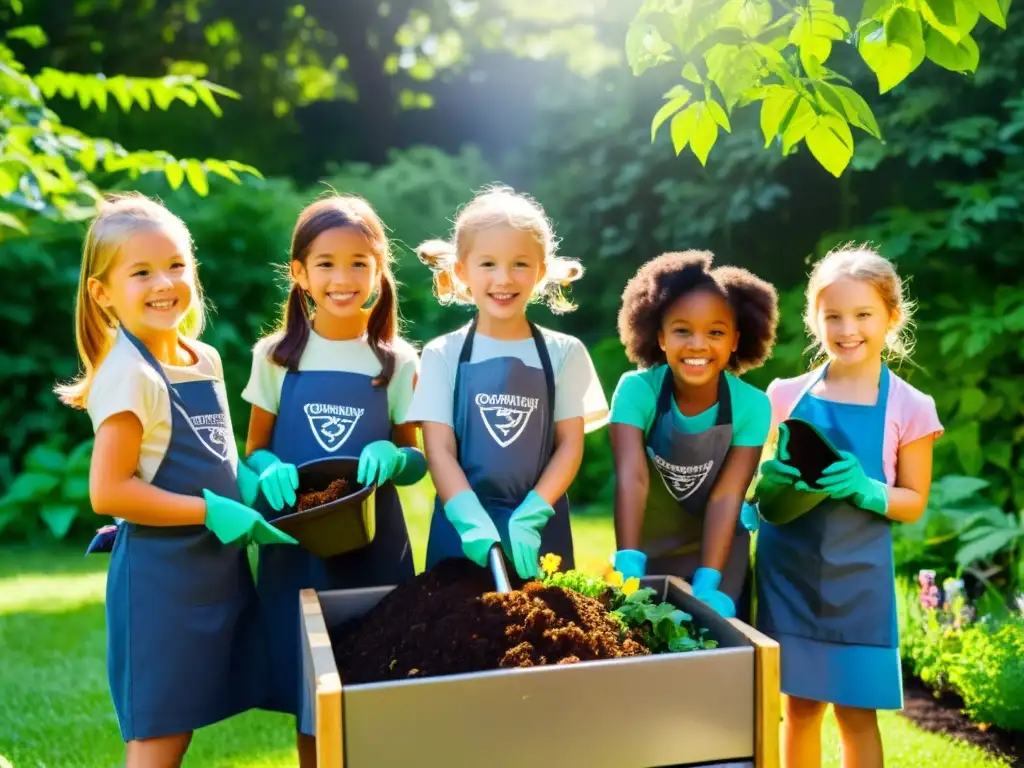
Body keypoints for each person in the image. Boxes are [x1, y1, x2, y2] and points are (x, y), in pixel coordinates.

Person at [55, 193, 296, 767]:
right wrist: (210, 512)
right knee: (159, 736)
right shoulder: (127, 374)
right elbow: (108, 491)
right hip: (160, 583)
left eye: (176, 265)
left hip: (214, 572)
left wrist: (257, 475)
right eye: (141, 272)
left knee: (184, 727)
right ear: (103, 293)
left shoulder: (203, 357)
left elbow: (215, 454)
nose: (164, 282)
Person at [241, 194, 423, 766]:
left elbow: (415, 461)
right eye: (325, 263)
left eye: (358, 263)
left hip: (374, 545)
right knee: (310, 693)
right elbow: (253, 452)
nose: (342, 278)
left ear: (378, 270)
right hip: (297, 546)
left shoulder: (396, 361)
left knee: (375, 680)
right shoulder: (275, 357)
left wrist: (392, 457)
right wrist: (265, 469)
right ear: (299, 274)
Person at [752, 245, 943, 768]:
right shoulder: (785, 395)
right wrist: (762, 487)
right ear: (815, 320)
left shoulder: (910, 406)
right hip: (788, 578)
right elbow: (752, 482)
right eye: (832, 316)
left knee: (857, 715)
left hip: (859, 587)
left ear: (891, 317)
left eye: (863, 314)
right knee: (801, 707)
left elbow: (914, 503)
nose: (847, 328)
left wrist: (867, 488)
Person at [404, 185, 608, 579]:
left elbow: (569, 445)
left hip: (541, 527)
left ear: (541, 271)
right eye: (488, 264)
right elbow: (439, 450)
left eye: (520, 264)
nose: (504, 278)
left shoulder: (564, 352)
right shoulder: (441, 354)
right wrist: (466, 516)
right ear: (461, 271)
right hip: (459, 528)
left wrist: (533, 513)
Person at [608, 250, 778, 620]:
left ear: (735, 339)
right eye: (682, 330)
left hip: (717, 552)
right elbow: (632, 478)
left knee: (718, 643)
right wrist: (628, 560)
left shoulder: (751, 406)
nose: (698, 345)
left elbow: (727, 495)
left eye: (715, 332)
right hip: (648, 548)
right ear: (661, 337)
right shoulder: (638, 391)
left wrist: (709, 579)